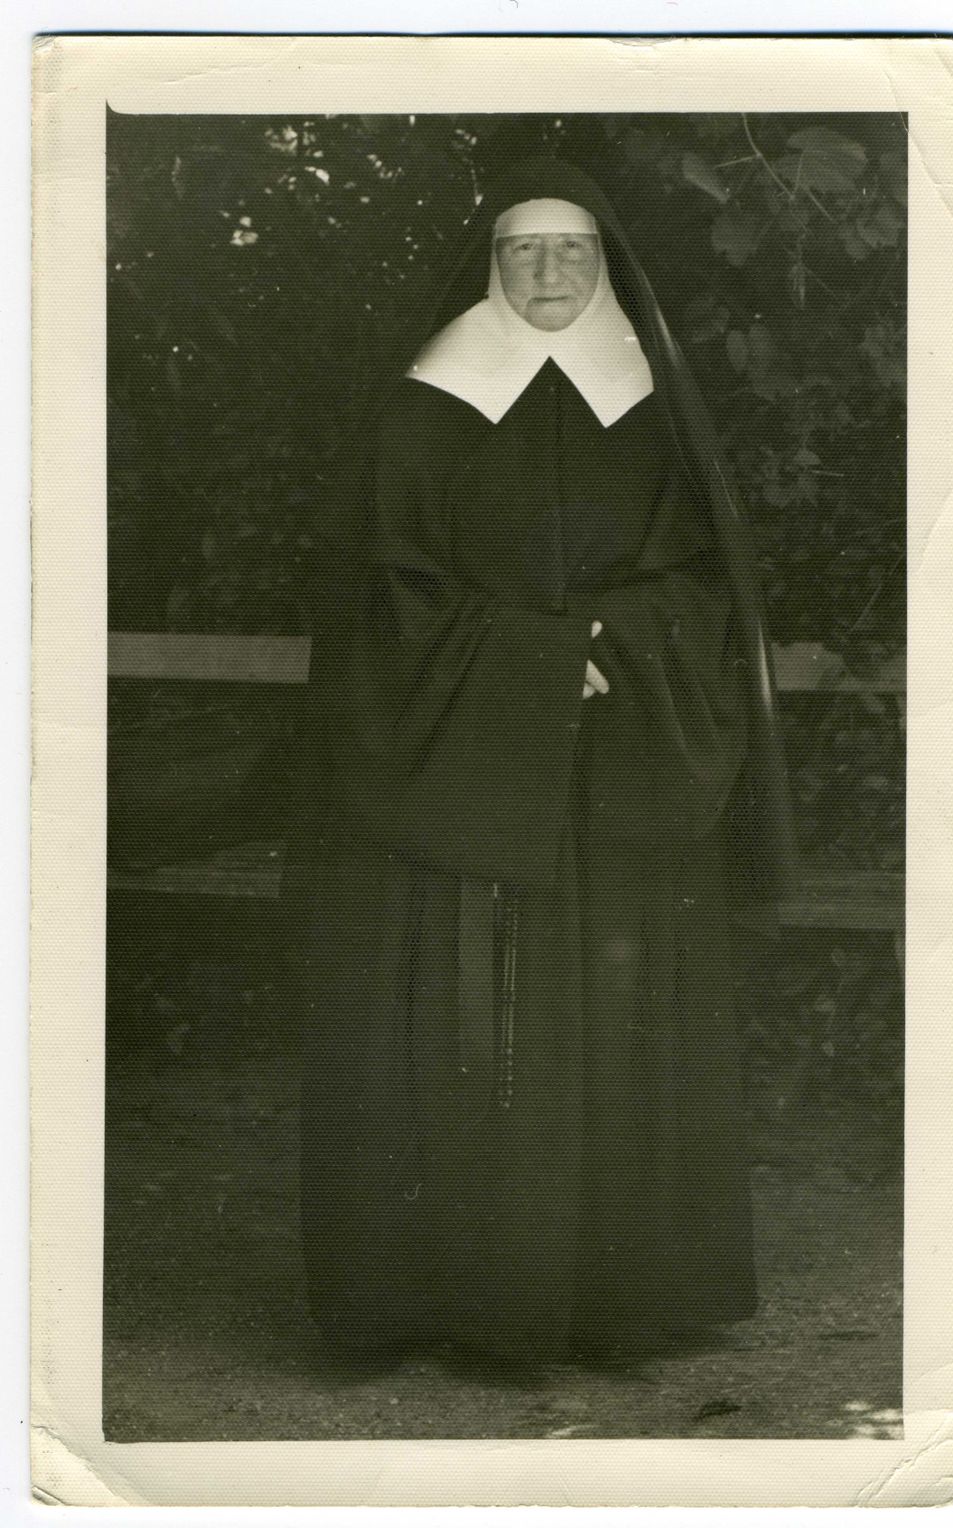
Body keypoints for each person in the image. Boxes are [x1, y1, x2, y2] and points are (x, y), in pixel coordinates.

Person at [290, 154, 798, 1367]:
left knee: (618, 1016)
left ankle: (619, 1301)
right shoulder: (426, 404)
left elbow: (700, 586)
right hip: (464, 779)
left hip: (617, 767)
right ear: (491, 263)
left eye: (572, 247)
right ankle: (447, 1299)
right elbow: (385, 593)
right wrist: (536, 662)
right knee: (457, 1015)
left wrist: (609, 648)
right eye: (525, 247)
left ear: (605, 262)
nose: (549, 269)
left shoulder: (650, 404)